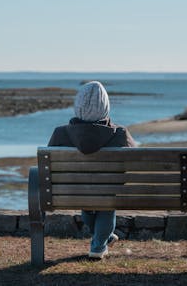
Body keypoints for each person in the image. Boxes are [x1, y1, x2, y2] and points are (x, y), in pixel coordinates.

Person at [47, 81, 136, 259]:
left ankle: (103, 238)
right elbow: (133, 163)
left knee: (89, 198)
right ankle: (98, 246)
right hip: (110, 192)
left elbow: (49, 169)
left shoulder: (60, 133)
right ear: (105, 106)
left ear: (77, 105)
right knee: (106, 201)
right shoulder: (120, 133)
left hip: (73, 192)